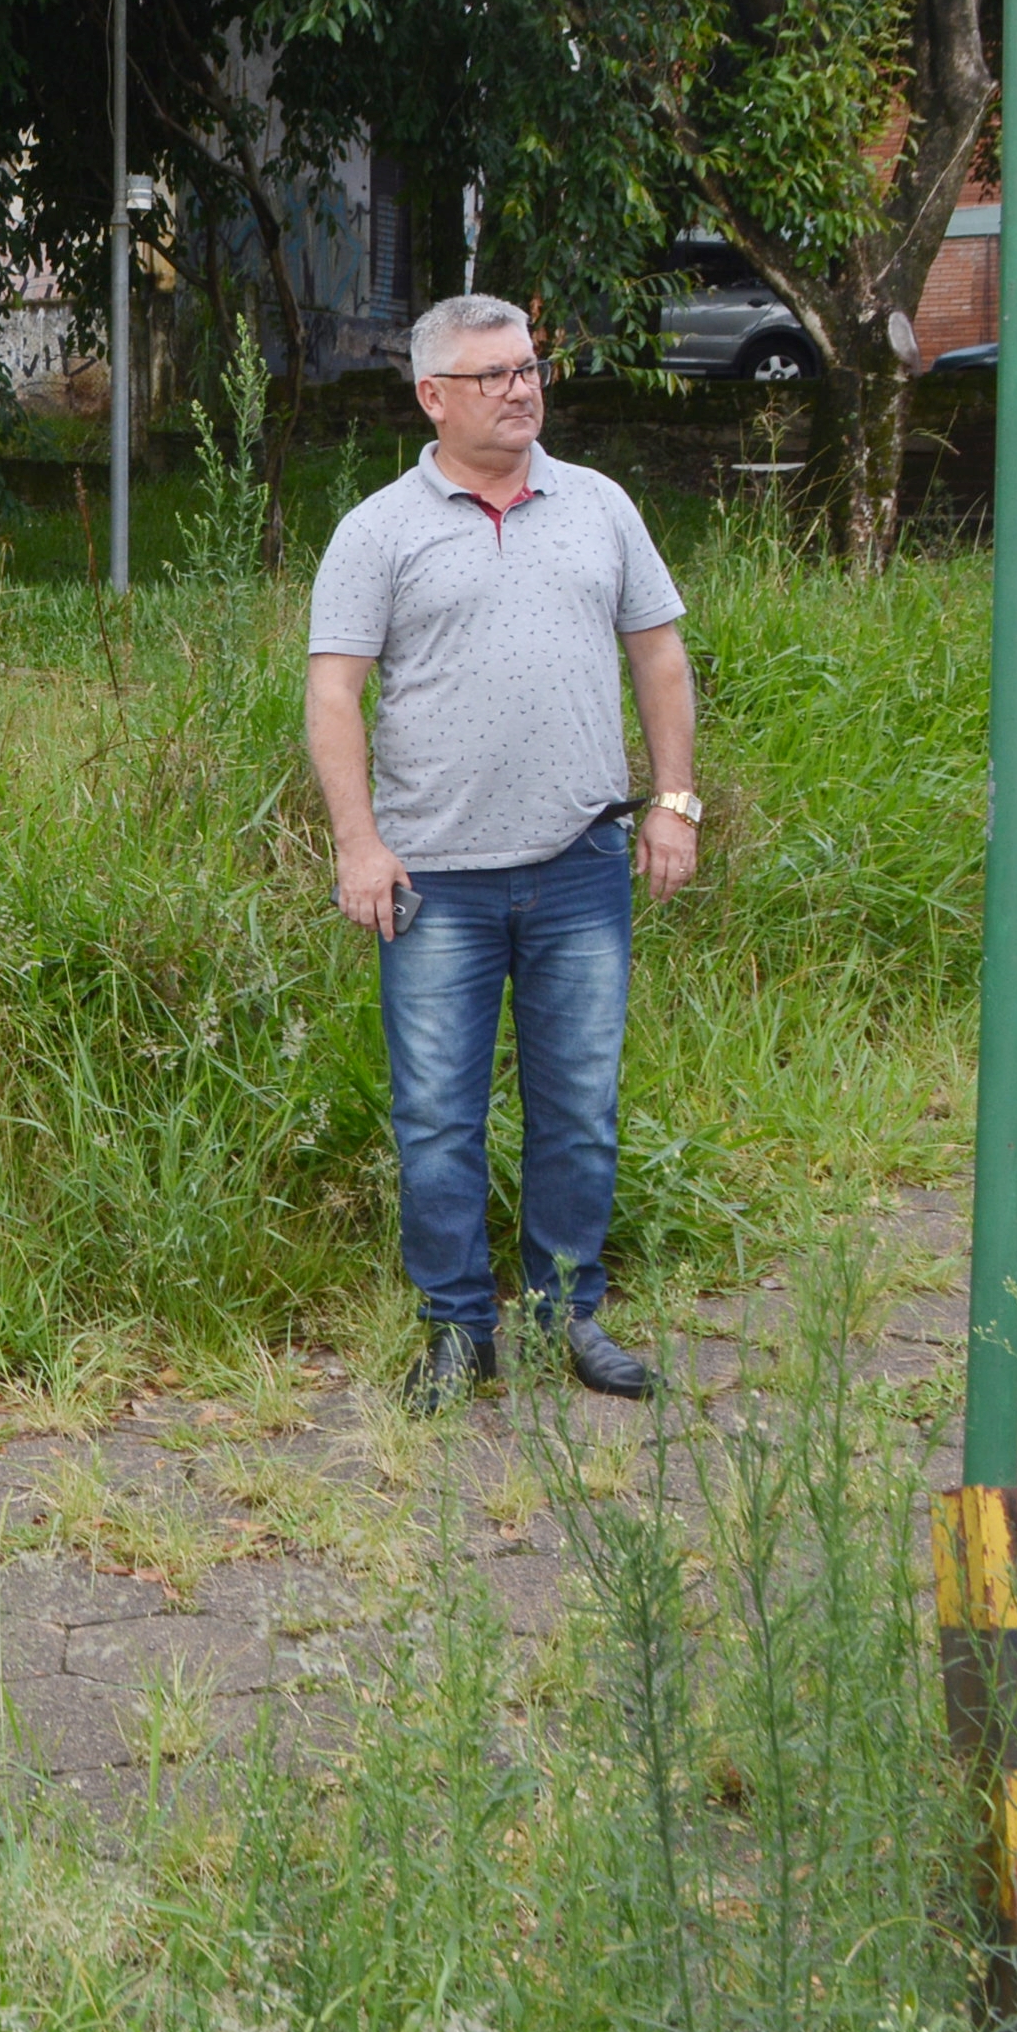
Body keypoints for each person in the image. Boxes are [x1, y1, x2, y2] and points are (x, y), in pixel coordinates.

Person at [303, 292, 701, 1413]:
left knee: (577, 1104)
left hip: (580, 863)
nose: (521, 388)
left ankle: (566, 1313)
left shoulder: (598, 507)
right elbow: (333, 694)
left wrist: (672, 801)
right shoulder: (377, 529)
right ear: (432, 396)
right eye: (493, 376)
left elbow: (659, 659)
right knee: (436, 1113)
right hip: (431, 879)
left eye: (528, 368)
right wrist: (357, 846)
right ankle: (454, 1331)